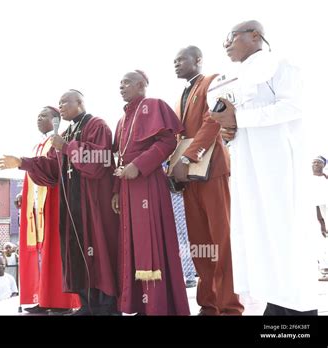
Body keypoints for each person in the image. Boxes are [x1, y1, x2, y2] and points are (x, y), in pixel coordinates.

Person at [211, 20, 318, 315]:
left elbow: (293, 106)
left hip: (278, 165)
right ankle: (276, 303)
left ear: (255, 35)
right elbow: (234, 120)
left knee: (284, 232)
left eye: (231, 37)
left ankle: (298, 312)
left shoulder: (279, 64)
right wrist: (229, 132)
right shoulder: (232, 77)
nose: (226, 44)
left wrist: (239, 121)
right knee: (257, 234)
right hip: (247, 165)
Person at [0, 91, 119, 315]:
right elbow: (52, 170)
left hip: (94, 204)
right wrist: (22, 162)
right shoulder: (65, 133)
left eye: (65, 102)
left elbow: (100, 161)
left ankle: (106, 305)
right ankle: (87, 304)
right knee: (75, 253)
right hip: (71, 207)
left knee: (98, 251)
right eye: (59, 102)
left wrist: (68, 147)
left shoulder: (96, 125)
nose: (60, 106)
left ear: (80, 103)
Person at [171, 46, 243, 315]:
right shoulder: (180, 95)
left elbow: (212, 120)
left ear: (198, 60)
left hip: (212, 170)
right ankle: (209, 302)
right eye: (174, 61)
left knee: (221, 240)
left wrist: (188, 157)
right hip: (189, 178)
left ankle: (230, 305)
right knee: (200, 242)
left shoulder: (213, 81)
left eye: (181, 59)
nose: (176, 64)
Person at [111, 70, 190, 315]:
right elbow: (119, 158)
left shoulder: (153, 105)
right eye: (120, 84)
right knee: (132, 244)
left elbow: (168, 142)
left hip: (147, 182)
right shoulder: (122, 119)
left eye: (126, 83)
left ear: (141, 85)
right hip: (126, 185)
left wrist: (139, 165)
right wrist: (116, 191)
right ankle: (140, 304)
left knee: (152, 242)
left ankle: (158, 305)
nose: (121, 87)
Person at [13, 106, 80, 314]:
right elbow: (35, 174)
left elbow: (51, 170)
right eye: (37, 116)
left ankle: (63, 301)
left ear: (56, 120)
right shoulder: (38, 145)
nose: (39, 119)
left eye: (44, 116)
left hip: (55, 201)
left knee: (56, 252)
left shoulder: (59, 141)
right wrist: (24, 194)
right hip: (38, 206)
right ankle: (45, 298)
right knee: (42, 253)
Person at [312, 156, 328, 280]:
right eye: (314, 162)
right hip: (313, 213)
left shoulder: (325, 180)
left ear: (324, 165)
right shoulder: (307, 180)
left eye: (318, 162)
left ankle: (325, 268)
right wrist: (320, 220)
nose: (316, 164)